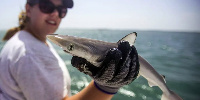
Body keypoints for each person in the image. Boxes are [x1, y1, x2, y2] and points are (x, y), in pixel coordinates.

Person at [0, 0, 140, 100]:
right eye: (46, 6)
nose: (55, 13)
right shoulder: (31, 54)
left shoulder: (24, 39)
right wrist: (108, 86)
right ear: (28, 9)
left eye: (62, 10)